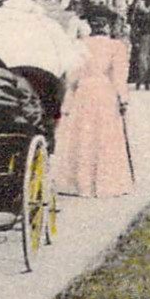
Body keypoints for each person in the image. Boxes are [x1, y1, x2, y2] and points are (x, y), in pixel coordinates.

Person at [53, 25, 133, 198]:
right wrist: (123, 98)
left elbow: (72, 76)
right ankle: (105, 182)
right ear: (106, 26)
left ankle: (81, 183)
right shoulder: (116, 46)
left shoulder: (79, 45)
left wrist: (70, 97)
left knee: (84, 134)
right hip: (105, 91)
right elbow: (119, 77)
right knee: (104, 134)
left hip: (84, 91)